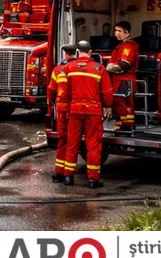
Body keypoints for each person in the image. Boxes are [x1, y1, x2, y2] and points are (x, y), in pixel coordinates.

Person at [61, 41, 114, 188]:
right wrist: (108, 106)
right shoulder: (99, 68)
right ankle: (92, 180)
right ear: (90, 52)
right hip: (93, 112)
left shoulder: (69, 68)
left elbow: (65, 93)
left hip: (75, 111)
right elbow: (107, 93)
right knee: (93, 145)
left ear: (77, 51)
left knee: (72, 144)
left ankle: (68, 177)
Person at [46, 44, 76, 182]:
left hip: (61, 111)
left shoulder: (57, 69)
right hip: (74, 110)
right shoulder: (76, 69)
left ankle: (59, 172)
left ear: (64, 54)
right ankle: (68, 175)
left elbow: (51, 89)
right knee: (72, 142)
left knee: (62, 141)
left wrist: (50, 103)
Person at [106, 20, 138, 132]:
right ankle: (119, 127)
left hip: (124, 80)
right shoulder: (121, 45)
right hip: (118, 80)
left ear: (127, 32)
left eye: (119, 31)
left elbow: (125, 64)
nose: (116, 33)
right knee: (117, 104)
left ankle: (128, 128)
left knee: (124, 104)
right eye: (115, 30)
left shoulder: (128, 46)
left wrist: (109, 68)